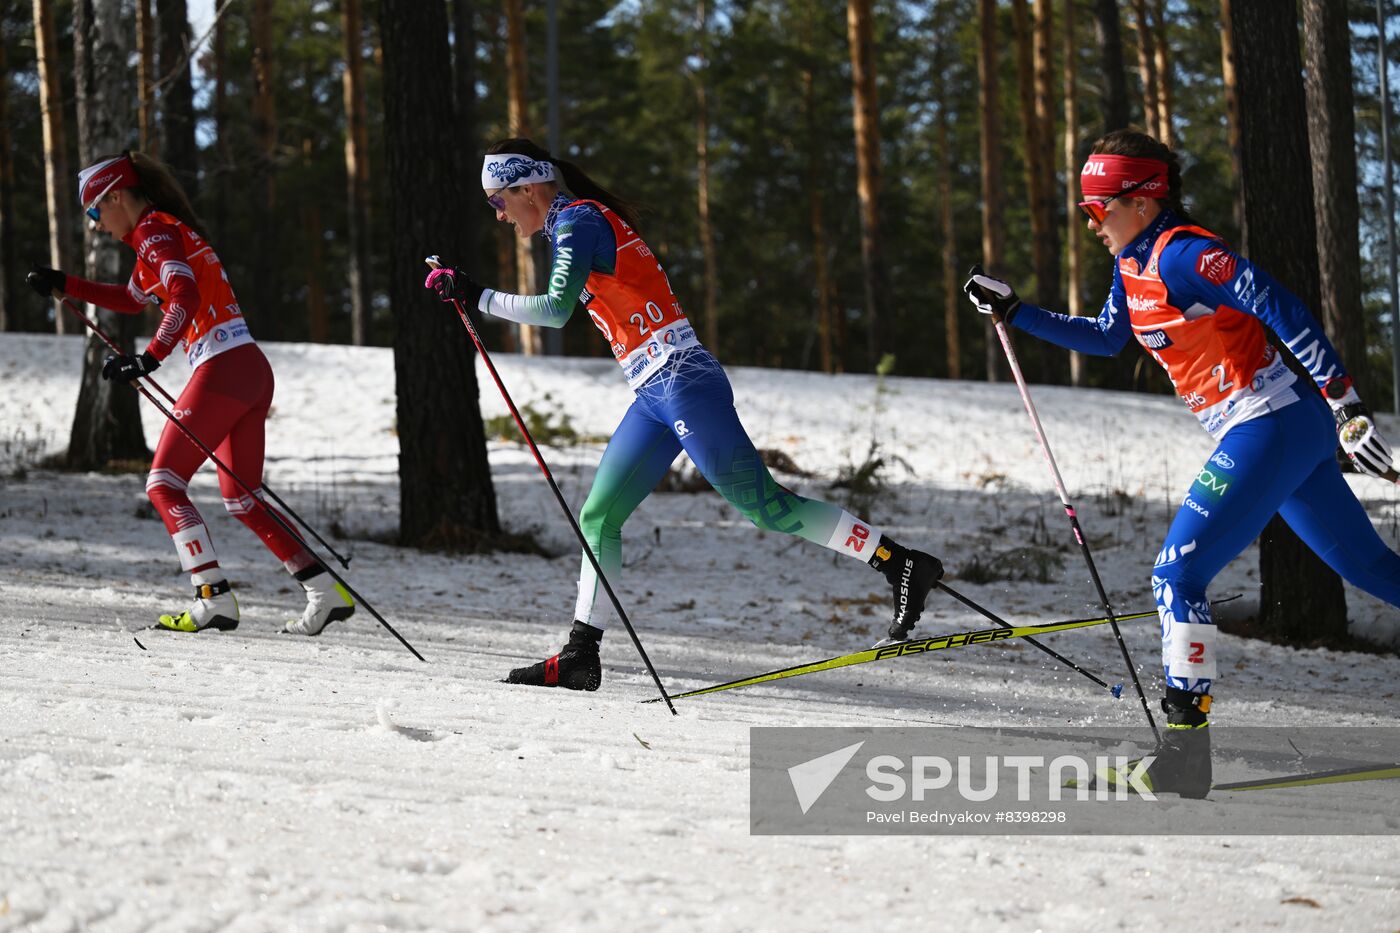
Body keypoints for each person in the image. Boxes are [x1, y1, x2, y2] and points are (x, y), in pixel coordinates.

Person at [964, 129, 1400, 796]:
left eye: (1097, 208)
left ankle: (1184, 755)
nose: (1092, 223)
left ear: (1140, 200)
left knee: (1177, 571)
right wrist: (1018, 312)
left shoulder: (1187, 255)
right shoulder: (1132, 263)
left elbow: (1279, 303)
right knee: (1366, 565)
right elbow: (1108, 338)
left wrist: (1347, 401)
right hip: (1277, 427)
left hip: (1270, 420)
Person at [426, 138, 945, 690]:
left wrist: (473, 292)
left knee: (766, 507)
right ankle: (580, 654)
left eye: (497, 201)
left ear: (526, 188)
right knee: (598, 517)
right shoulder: (570, 224)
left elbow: (554, 312)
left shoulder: (577, 221)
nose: (499, 214)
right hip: (652, 391)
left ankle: (898, 561)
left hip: (682, 381)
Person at [26, 151, 354, 636]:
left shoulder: (153, 232)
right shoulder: (158, 237)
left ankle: (212, 599)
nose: (95, 226)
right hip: (248, 368)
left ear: (116, 196)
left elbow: (183, 294)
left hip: (223, 367)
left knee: (162, 483)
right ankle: (325, 591)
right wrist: (66, 285)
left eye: (95, 212)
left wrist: (151, 357)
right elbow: (131, 299)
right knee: (242, 498)